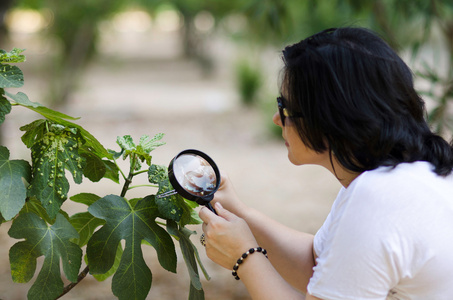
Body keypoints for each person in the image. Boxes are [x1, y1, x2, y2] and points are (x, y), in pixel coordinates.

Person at [198, 26, 453, 300]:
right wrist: (238, 212)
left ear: (329, 118)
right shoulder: (401, 174)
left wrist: (244, 257)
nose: (276, 118)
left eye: (284, 107)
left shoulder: (379, 197)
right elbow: (319, 267)